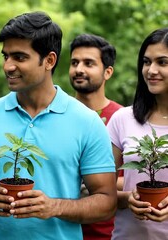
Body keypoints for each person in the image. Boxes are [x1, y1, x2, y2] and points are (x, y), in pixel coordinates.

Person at [0, 11, 117, 240]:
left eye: (19, 57)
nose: (8, 66)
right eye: (6, 56)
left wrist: (54, 207)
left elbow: (106, 201)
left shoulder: (87, 121)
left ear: (49, 60)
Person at [107, 27, 168, 239]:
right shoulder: (122, 119)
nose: (151, 70)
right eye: (146, 61)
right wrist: (127, 199)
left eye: (162, 62)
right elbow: (101, 191)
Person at [68, 33, 123, 240]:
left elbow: (133, 177)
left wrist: (93, 178)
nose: (79, 69)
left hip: (107, 234)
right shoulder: (56, 114)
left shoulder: (122, 119)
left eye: (88, 63)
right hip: (59, 230)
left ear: (107, 72)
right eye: (74, 62)